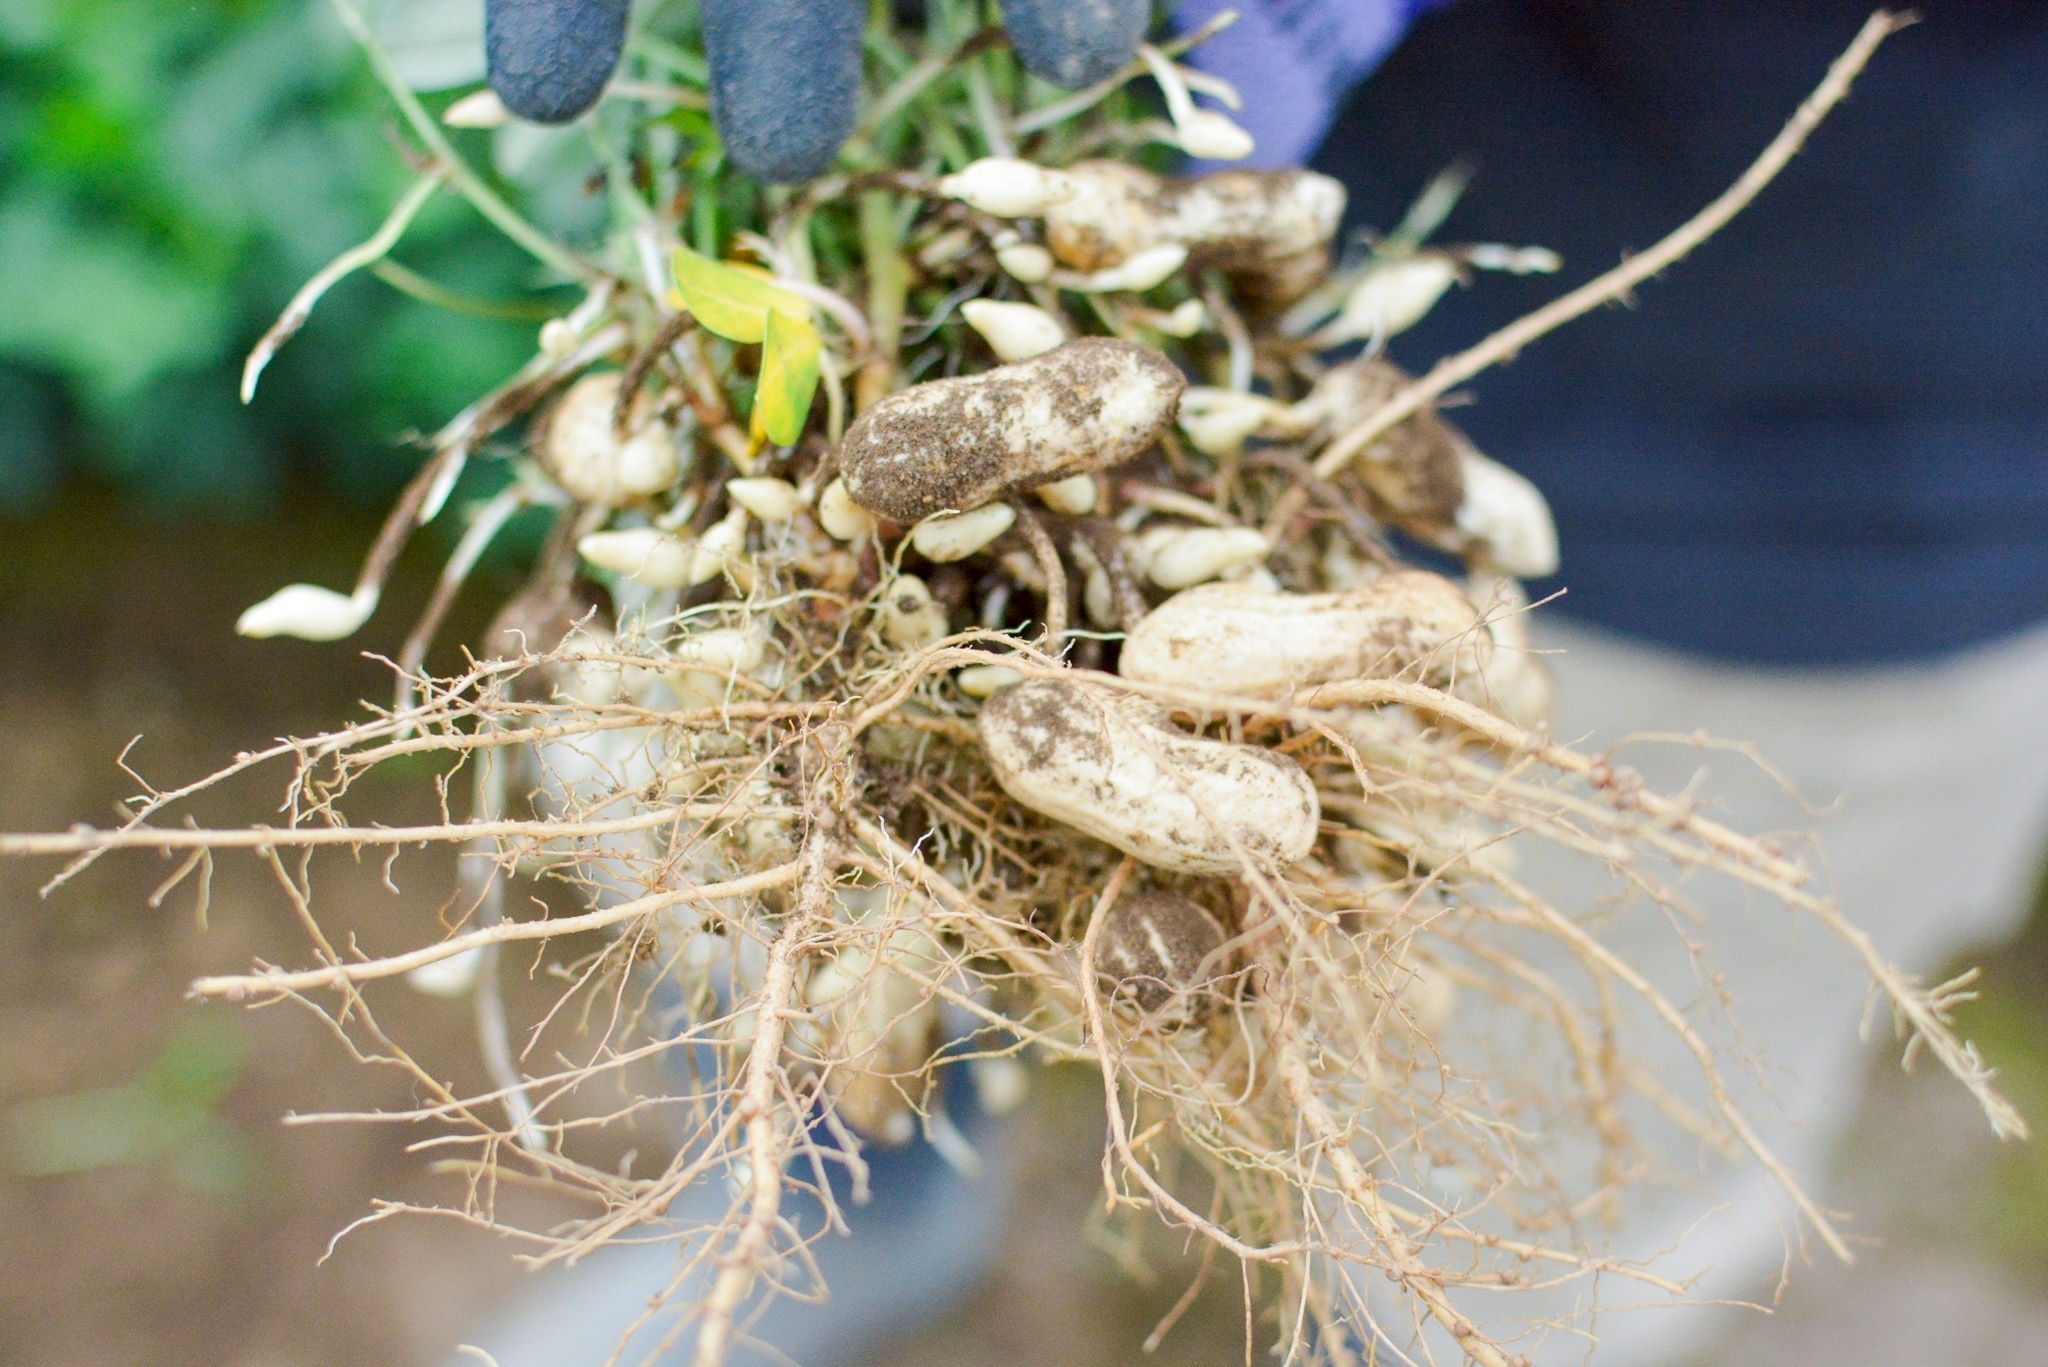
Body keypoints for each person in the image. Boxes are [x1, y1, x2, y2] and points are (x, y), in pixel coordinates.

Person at [456, 3, 2048, 1362]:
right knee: (782, 845)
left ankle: (1446, 1323)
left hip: (1839, 497)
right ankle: (823, 1216)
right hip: (1247, 236)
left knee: (1541, 1199)